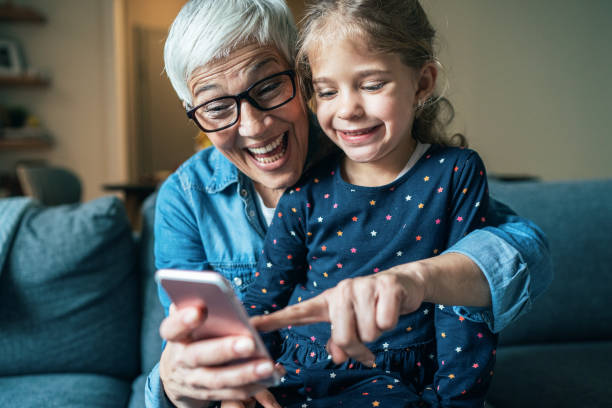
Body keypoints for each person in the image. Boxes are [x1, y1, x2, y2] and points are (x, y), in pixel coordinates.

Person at [146, 1, 552, 407]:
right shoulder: (188, 198)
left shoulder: (383, 154)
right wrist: (211, 384)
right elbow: (204, 344)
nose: (254, 127)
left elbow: (519, 249)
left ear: (299, 77)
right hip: (292, 378)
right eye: (217, 107)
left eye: (268, 87)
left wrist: (421, 279)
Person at [237, 0, 496, 406]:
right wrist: (241, 382)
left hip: (396, 380)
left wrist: (454, 401)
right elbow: (264, 296)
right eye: (327, 91)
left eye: (372, 85)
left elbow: (463, 310)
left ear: (423, 82)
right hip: (299, 371)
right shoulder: (306, 189)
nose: (348, 109)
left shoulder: (455, 173)